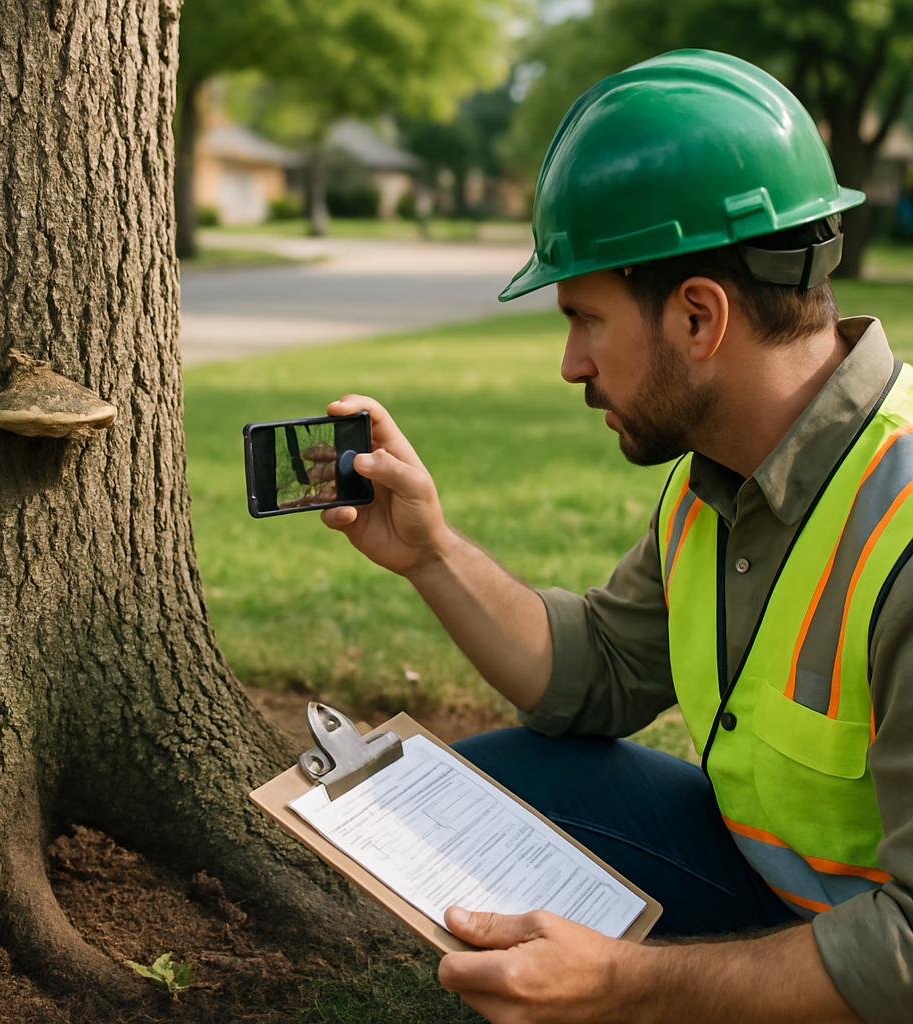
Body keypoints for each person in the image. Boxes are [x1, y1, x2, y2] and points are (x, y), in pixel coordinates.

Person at [320, 50, 911, 1024]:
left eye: (584, 318)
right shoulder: (716, 482)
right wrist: (429, 549)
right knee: (503, 787)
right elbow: (591, 671)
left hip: (881, 959)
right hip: (783, 897)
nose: (570, 364)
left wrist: (625, 987)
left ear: (697, 315)